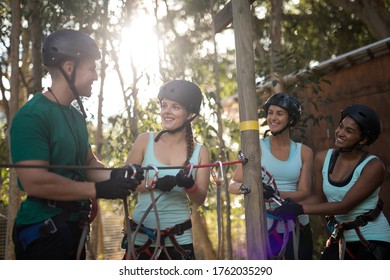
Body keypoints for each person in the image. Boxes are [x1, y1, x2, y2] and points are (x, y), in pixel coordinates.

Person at [10, 29, 143, 260]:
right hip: (43, 233)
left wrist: (116, 175)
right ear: (69, 68)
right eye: (92, 69)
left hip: (73, 228)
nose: (95, 76)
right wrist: (98, 190)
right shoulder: (32, 116)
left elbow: (87, 163)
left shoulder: (76, 117)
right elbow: (35, 181)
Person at [271, 104, 390, 260]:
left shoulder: (373, 166)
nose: (339, 133)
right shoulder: (322, 158)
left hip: (371, 239)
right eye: (340, 127)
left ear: (364, 139)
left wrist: (299, 208)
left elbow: (345, 206)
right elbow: (319, 198)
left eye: (349, 131)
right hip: (340, 238)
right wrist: (283, 200)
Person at [122, 79, 210, 260]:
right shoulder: (144, 141)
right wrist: (154, 183)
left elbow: (200, 198)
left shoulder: (200, 152)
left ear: (190, 114)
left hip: (179, 239)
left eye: (175, 107)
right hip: (141, 235)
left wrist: (189, 185)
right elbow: (123, 180)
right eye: (164, 106)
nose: (166, 112)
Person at [229, 92, 314, 260]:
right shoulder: (255, 148)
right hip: (265, 229)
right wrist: (253, 189)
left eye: (279, 113)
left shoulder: (304, 152)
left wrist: (274, 192)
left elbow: (304, 192)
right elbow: (233, 184)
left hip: (296, 226)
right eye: (270, 113)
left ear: (291, 119)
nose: (273, 118)